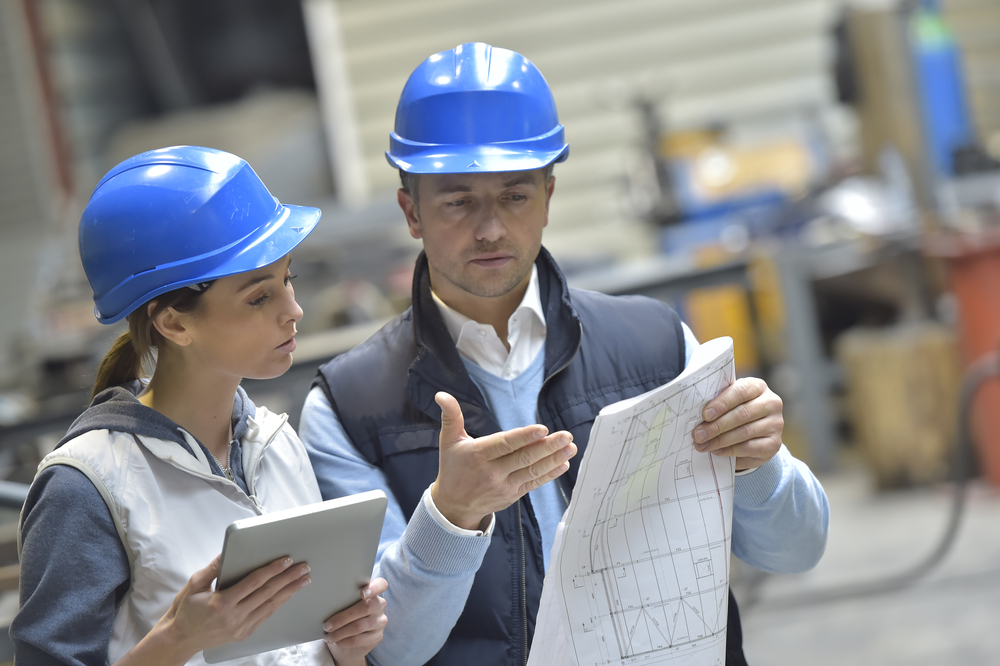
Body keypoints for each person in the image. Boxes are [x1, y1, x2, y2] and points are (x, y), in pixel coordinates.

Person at [299, 43, 830, 666]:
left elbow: (797, 552)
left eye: (515, 196)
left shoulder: (659, 346)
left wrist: (757, 465)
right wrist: (450, 517)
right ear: (410, 211)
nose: (491, 227)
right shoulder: (348, 408)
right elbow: (388, 651)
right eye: (457, 200)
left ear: (549, 195)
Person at [12, 146, 389, 666]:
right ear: (174, 323)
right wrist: (178, 639)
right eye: (259, 297)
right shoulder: (86, 487)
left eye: (288, 280)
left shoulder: (276, 442)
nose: (294, 311)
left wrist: (346, 649)